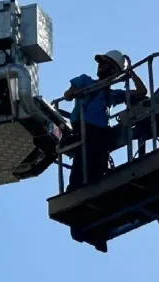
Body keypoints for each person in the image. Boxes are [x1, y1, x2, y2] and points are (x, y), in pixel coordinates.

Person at [63, 49, 148, 190]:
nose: (100, 65)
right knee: (83, 159)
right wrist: (75, 93)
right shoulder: (85, 81)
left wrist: (130, 72)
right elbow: (67, 94)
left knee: (99, 162)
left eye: (105, 63)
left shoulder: (111, 94)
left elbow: (141, 92)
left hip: (101, 133)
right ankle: (75, 188)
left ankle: (96, 185)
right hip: (85, 129)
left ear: (114, 70)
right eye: (100, 63)